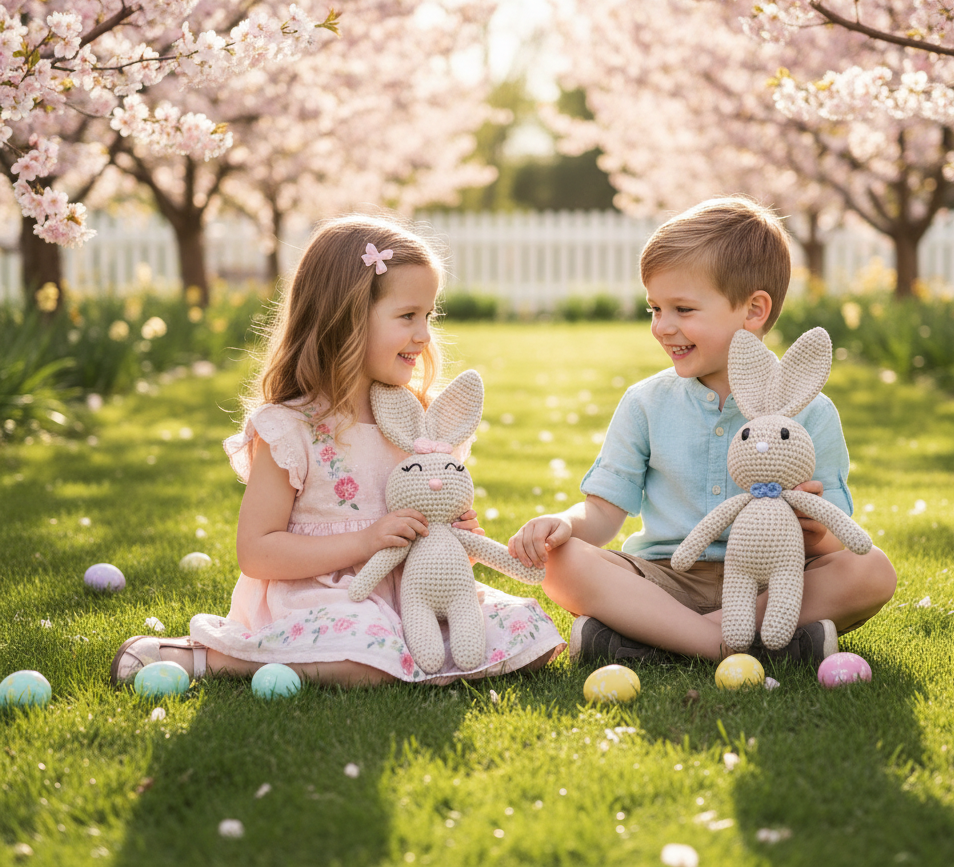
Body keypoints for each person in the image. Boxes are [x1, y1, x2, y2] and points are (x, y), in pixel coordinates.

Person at [111, 214, 564, 688]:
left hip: (411, 597)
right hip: (324, 596)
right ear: (346, 319)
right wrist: (364, 542)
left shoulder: (421, 426)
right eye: (408, 316)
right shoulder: (292, 429)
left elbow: (435, 532)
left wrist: (453, 543)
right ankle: (212, 658)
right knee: (363, 655)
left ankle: (406, 655)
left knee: (527, 634)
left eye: (428, 316)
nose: (424, 335)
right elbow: (256, 552)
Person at [506, 197, 897, 667]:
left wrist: (815, 533)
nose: (662, 327)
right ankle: (735, 646)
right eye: (655, 308)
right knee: (562, 562)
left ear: (753, 310)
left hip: (771, 582)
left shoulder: (810, 411)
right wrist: (565, 524)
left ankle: (656, 641)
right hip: (664, 579)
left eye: (683, 309)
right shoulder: (646, 402)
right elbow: (603, 512)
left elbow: (839, 535)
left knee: (872, 570)